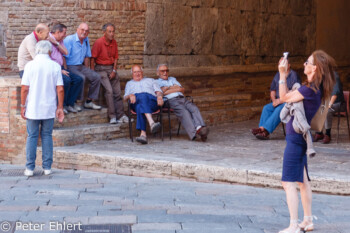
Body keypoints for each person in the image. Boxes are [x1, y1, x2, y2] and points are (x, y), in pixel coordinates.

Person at [277, 50, 336, 233]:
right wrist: (286, 76)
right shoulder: (313, 89)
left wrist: (281, 75)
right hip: (299, 139)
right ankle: (308, 221)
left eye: (307, 62)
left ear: (315, 68)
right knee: (303, 182)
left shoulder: (309, 90)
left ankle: (294, 225)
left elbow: (284, 98)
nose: (304, 64)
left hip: (295, 140)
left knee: (288, 182)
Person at [20, 40, 65, 177]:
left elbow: (24, 89)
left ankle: (29, 168)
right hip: (49, 107)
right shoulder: (55, 66)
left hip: (33, 107)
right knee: (47, 136)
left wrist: (22, 106)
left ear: (37, 50)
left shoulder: (30, 66)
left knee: (32, 136)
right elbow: (60, 89)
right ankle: (47, 167)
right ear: (50, 51)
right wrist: (60, 107)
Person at [156, 64, 209, 141]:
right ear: (158, 73)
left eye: (167, 70)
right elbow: (162, 93)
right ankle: (193, 134)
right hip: (170, 100)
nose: (165, 72)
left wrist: (168, 88)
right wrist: (175, 88)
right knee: (184, 111)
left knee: (194, 108)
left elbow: (182, 89)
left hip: (182, 98)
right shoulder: (156, 82)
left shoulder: (173, 79)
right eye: (162, 71)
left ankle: (200, 128)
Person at [251, 59, 300, 140]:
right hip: (278, 101)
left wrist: (280, 100)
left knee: (279, 109)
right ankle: (262, 131)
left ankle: (264, 131)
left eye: (284, 63)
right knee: (266, 108)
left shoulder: (294, 75)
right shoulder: (277, 75)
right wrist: (274, 100)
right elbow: (272, 90)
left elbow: (294, 92)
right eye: (280, 64)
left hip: (288, 102)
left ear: (289, 65)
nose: (281, 65)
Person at [91, 23, 128, 124]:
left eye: (113, 31)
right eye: (109, 32)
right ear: (104, 32)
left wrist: (114, 70)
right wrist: (93, 73)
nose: (112, 34)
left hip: (111, 68)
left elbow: (116, 58)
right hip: (100, 69)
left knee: (117, 92)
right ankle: (112, 116)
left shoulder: (114, 42)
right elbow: (92, 58)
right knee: (109, 91)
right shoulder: (98, 42)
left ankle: (121, 115)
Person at [63, 22, 102, 110]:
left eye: (86, 31)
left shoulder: (86, 40)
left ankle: (89, 101)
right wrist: (65, 69)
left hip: (81, 66)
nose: (84, 32)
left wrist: (88, 70)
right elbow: (63, 56)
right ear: (77, 30)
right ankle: (75, 102)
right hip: (70, 66)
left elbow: (87, 56)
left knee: (96, 76)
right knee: (82, 78)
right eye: (82, 30)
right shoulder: (69, 40)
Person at [124, 65, 163, 144]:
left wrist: (159, 97)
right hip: (135, 102)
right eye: (135, 72)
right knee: (140, 100)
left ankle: (143, 134)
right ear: (132, 74)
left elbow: (158, 91)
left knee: (141, 102)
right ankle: (151, 123)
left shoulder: (151, 80)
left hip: (152, 102)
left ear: (142, 72)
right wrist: (130, 95)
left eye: (139, 71)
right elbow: (125, 98)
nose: (137, 74)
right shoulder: (129, 83)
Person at [49, 23, 83, 114]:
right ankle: (62, 105)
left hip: (60, 67)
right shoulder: (47, 40)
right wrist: (59, 70)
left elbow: (66, 52)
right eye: (64, 33)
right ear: (57, 32)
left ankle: (70, 104)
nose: (65, 35)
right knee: (66, 80)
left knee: (78, 79)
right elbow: (47, 60)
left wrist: (56, 43)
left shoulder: (58, 41)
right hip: (52, 68)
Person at [314, 72, 345, 144]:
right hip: (325, 102)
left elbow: (335, 93)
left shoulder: (334, 76)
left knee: (327, 111)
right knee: (315, 108)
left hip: (337, 103)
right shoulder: (320, 76)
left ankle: (328, 134)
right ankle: (319, 133)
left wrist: (329, 105)